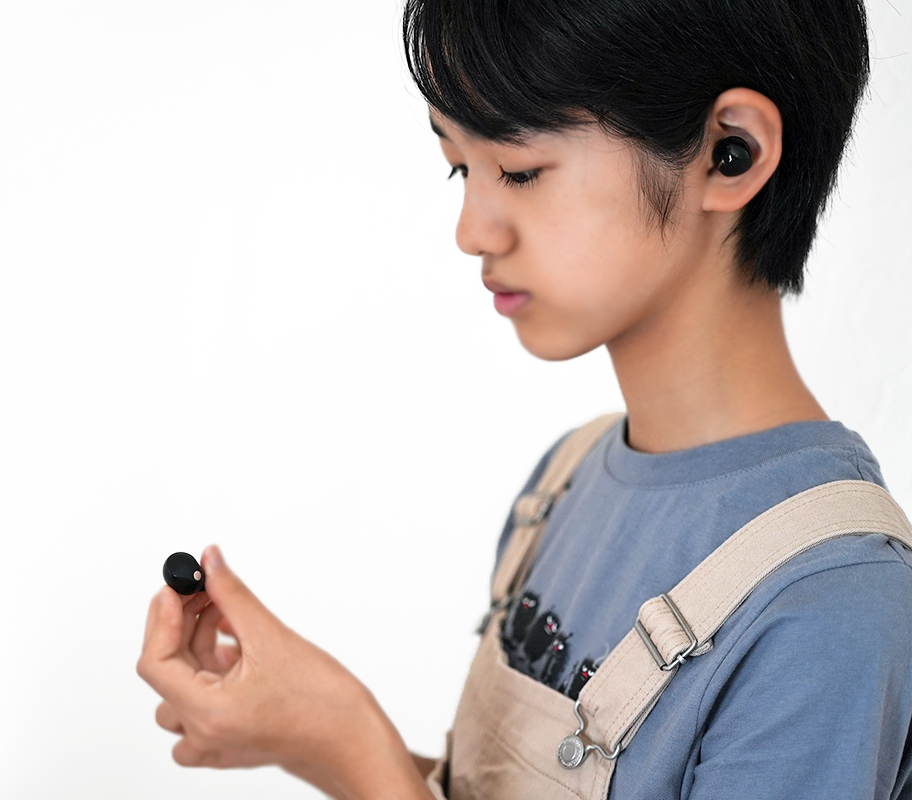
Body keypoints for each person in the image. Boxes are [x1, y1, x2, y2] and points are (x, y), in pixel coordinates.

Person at [137, 0, 912, 797]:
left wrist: (342, 737)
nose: (471, 231)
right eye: (459, 167)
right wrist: (296, 731)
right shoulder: (566, 479)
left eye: (518, 170)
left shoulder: (829, 611)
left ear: (729, 153)